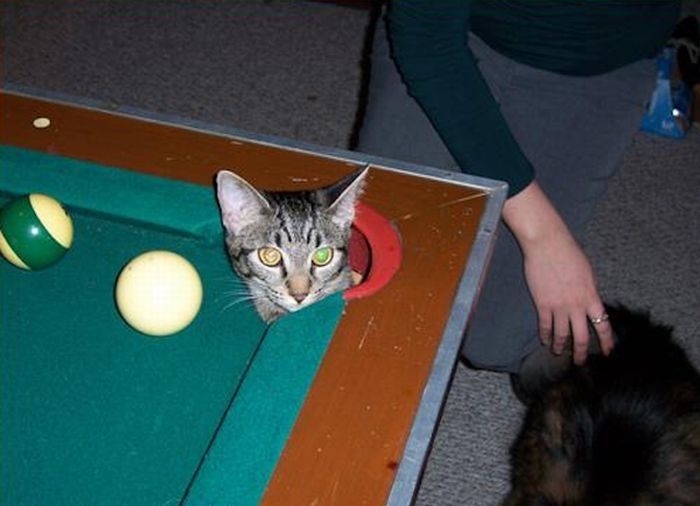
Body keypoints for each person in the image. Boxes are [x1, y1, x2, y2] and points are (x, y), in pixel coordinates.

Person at [355, 0, 680, 401]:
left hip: (589, 68)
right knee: (371, 273)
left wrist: (545, 240)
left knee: (498, 339)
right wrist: (542, 234)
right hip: (449, 37)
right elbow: (428, 42)